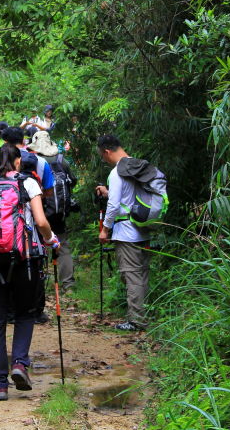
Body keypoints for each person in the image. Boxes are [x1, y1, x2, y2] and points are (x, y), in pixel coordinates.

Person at [0, 144, 60, 401]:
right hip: (26, 260)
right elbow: (41, 222)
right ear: (18, 162)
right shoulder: (28, 185)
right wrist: (51, 240)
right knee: (25, 313)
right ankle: (19, 363)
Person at [96, 134, 151, 331]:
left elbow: (113, 206)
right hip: (143, 228)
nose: (104, 159)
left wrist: (105, 229)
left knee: (132, 275)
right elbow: (129, 199)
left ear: (107, 151)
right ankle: (143, 314)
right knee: (142, 273)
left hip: (126, 232)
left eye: (103, 156)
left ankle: (137, 321)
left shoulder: (117, 172)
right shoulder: (137, 166)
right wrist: (108, 192)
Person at [28, 130, 77, 292]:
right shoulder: (62, 160)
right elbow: (73, 181)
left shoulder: (34, 161)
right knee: (63, 245)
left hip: (40, 211)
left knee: (38, 244)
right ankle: (68, 284)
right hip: (59, 211)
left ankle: (39, 280)